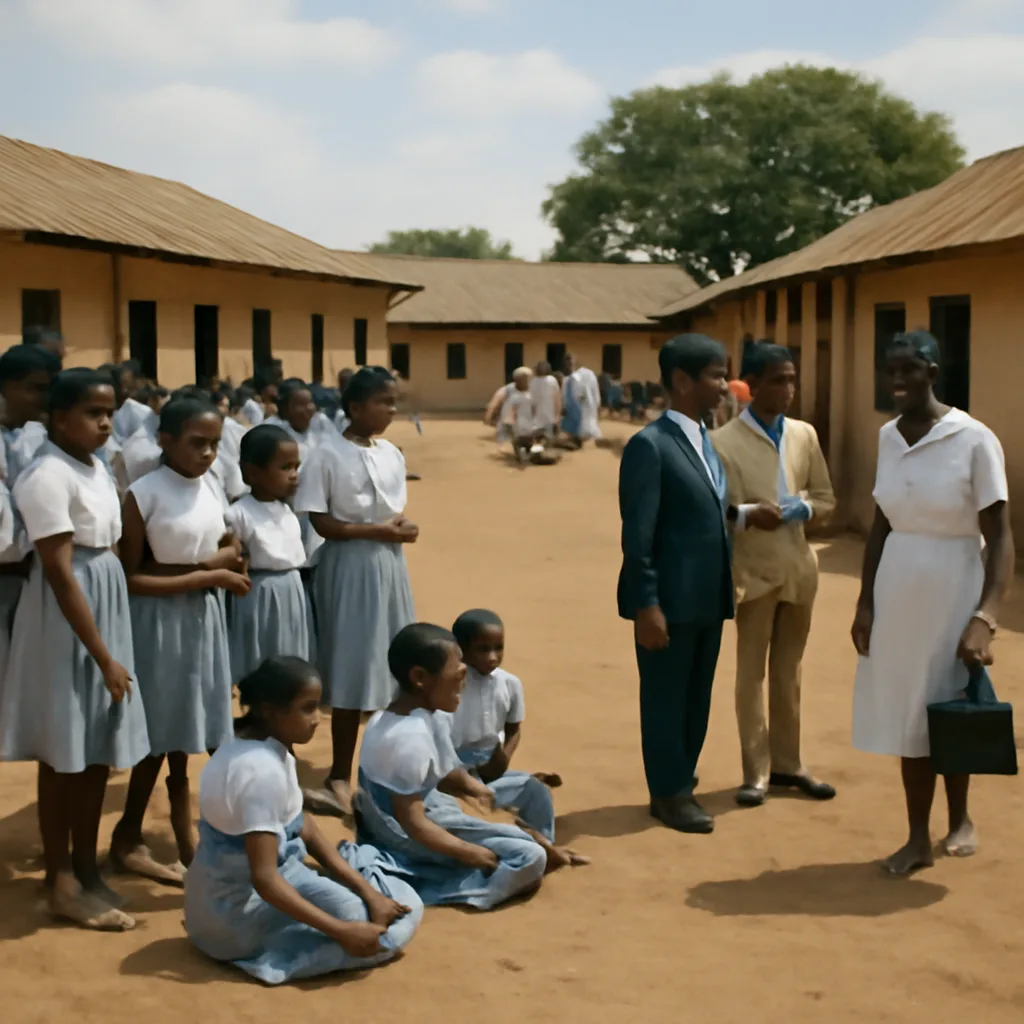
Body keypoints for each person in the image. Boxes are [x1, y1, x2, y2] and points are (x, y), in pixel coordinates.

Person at [851, 330, 1013, 876]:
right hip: (899, 590)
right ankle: (918, 837)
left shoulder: (973, 439)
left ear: (934, 373)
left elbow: (1002, 535)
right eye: (889, 369)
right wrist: (865, 603)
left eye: (908, 369)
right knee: (910, 713)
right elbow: (879, 525)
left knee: (949, 708)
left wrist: (985, 617)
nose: (896, 379)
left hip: (954, 584)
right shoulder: (887, 438)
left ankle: (960, 817)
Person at [0, 369, 149, 931]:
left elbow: (108, 548)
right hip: (70, 617)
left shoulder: (94, 468)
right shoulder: (46, 476)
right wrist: (103, 655)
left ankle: (88, 871)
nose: (105, 422)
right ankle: (59, 879)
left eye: (109, 411)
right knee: (64, 750)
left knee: (94, 751)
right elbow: (61, 574)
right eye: (91, 412)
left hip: (102, 601)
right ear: (58, 419)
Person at [184, 656, 422, 985]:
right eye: (307, 709)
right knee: (388, 933)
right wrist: (343, 931)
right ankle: (269, 961)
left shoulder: (253, 746)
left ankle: (341, 914)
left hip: (215, 907)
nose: (316, 720)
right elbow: (265, 879)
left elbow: (304, 826)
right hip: (235, 922)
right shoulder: (261, 773)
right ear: (269, 710)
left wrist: (369, 893)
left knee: (362, 909)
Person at [109, 397, 250, 884]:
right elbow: (132, 577)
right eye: (197, 443)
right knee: (161, 731)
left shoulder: (210, 485)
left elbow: (223, 544)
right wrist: (209, 573)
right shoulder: (143, 493)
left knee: (199, 724)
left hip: (204, 617)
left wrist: (229, 557)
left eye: (214, 444)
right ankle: (128, 835)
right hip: (160, 621)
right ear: (165, 441)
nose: (208, 454)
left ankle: (191, 828)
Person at [355, 624, 583, 909]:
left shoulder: (427, 714)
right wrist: (471, 853)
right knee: (529, 857)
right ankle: (435, 889)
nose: (464, 679)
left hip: (435, 808)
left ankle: (520, 853)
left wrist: (477, 791)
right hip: (402, 833)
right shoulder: (406, 738)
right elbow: (412, 824)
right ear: (420, 678)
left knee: (529, 808)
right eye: (458, 672)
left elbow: (446, 773)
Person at [712, 343, 837, 807]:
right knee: (752, 674)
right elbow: (715, 510)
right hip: (753, 572)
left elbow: (826, 498)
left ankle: (790, 763)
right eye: (778, 380)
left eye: (792, 380)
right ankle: (756, 771)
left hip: (799, 569)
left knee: (789, 671)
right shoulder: (723, 442)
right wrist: (746, 514)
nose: (787, 390)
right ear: (753, 385)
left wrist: (803, 507)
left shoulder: (804, 435)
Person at [617, 334, 733, 834]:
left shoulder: (705, 440)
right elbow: (637, 533)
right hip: (669, 600)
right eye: (715, 375)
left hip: (707, 596)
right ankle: (668, 793)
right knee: (666, 697)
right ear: (682, 381)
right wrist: (646, 602)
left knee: (696, 696)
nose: (725, 385)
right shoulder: (651, 445)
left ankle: (680, 775)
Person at [294, 367, 417, 817]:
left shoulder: (390, 454)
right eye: (383, 402)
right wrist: (376, 530)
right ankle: (339, 774)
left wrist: (401, 527)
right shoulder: (327, 455)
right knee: (352, 664)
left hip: (388, 563)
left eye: (393, 401)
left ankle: (385, 767)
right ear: (356, 407)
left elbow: (395, 509)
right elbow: (321, 522)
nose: (391, 409)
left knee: (392, 660)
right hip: (348, 564)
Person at [449, 610, 564, 841]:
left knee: (536, 792)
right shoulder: (449, 685)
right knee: (465, 809)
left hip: (490, 763)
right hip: (453, 771)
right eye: (483, 649)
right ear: (460, 649)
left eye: (498, 647)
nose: (493, 656)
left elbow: (514, 729)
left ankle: (543, 844)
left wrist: (503, 760)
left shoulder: (510, 684)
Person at [226, 425, 312, 680]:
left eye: (296, 467)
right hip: (259, 594)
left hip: (293, 591)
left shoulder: (288, 511)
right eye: (285, 468)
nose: (294, 475)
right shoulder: (238, 513)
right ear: (252, 472)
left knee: (291, 659)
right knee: (261, 661)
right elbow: (234, 558)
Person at [561, 353, 601, 447]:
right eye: (567, 362)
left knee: (583, 424)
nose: (569, 364)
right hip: (572, 404)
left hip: (582, 404)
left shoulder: (585, 374)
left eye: (570, 362)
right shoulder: (567, 378)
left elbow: (589, 390)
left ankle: (579, 440)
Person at [111, 360, 154, 444]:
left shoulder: (144, 412)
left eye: (128, 386)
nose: (124, 390)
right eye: (120, 385)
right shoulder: (108, 411)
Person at [503, 367, 536, 463]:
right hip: (525, 429)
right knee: (523, 443)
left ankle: (523, 454)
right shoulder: (519, 397)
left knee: (520, 444)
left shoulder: (521, 396)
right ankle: (525, 453)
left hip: (525, 429)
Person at [531, 361, 562, 441]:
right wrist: (557, 416)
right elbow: (557, 399)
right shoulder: (552, 380)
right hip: (550, 420)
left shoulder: (533, 382)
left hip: (536, 422)